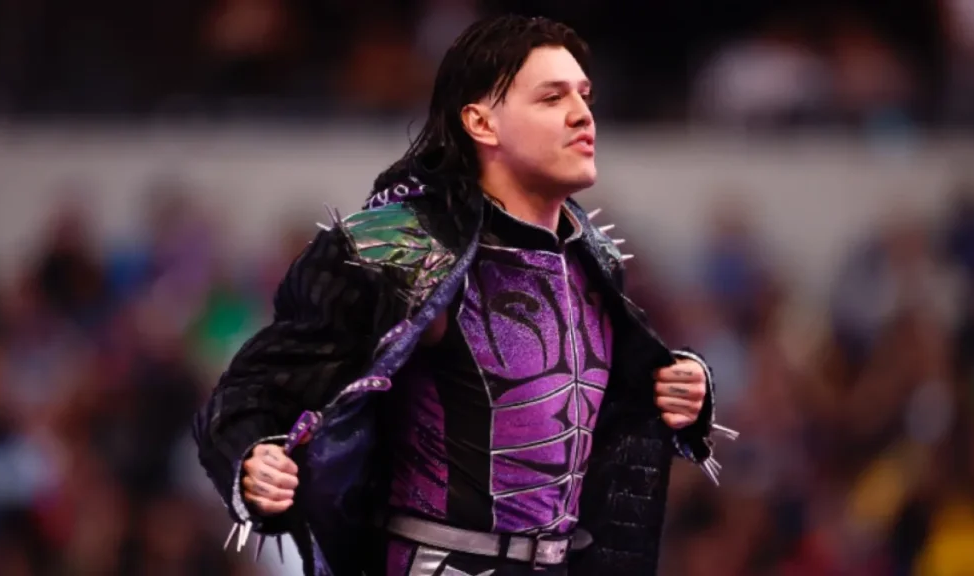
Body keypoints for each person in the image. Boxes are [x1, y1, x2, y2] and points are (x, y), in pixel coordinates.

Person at [193, 14, 738, 576]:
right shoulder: (400, 248)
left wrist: (681, 387)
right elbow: (251, 389)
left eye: (584, 95)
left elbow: (592, 406)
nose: (582, 113)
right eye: (552, 97)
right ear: (481, 122)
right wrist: (252, 460)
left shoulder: (592, 257)